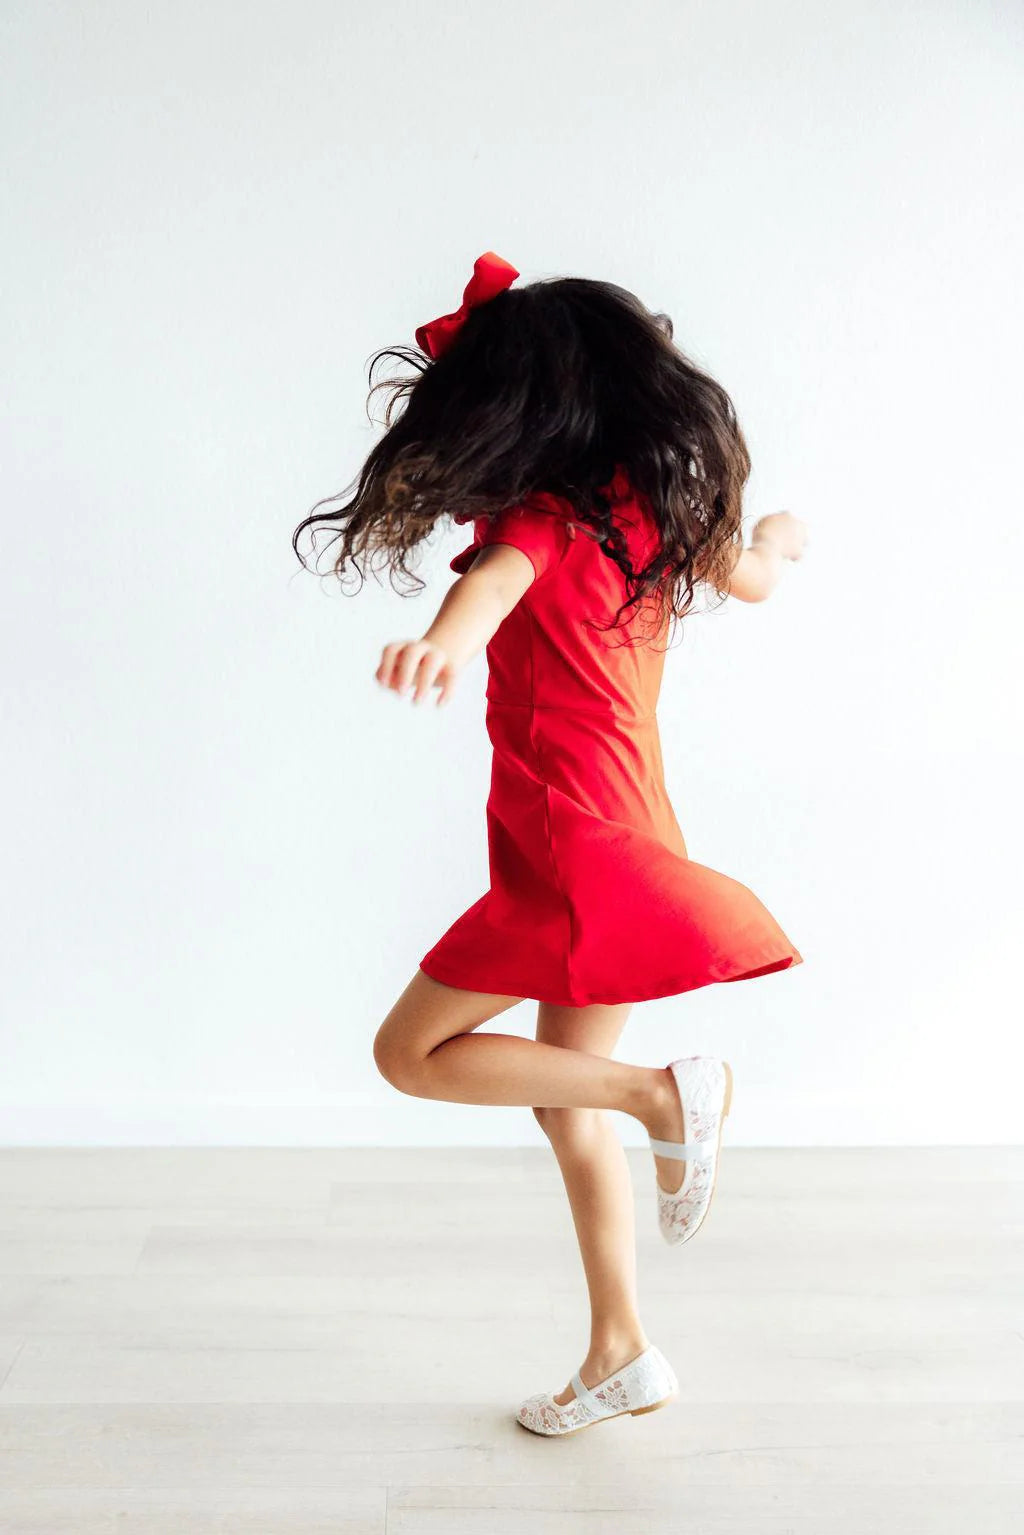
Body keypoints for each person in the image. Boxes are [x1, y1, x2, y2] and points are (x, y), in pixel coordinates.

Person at [292, 252, 809, 1436]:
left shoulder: (540, 515)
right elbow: (755, 578)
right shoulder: (661, 513)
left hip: (569, 842)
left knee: (410, 1052)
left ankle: (662, 1095)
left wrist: (442, 640)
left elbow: (494, 584)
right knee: (560, 1099)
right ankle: (619, 1349)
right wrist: (780, 537)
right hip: (628, 825)